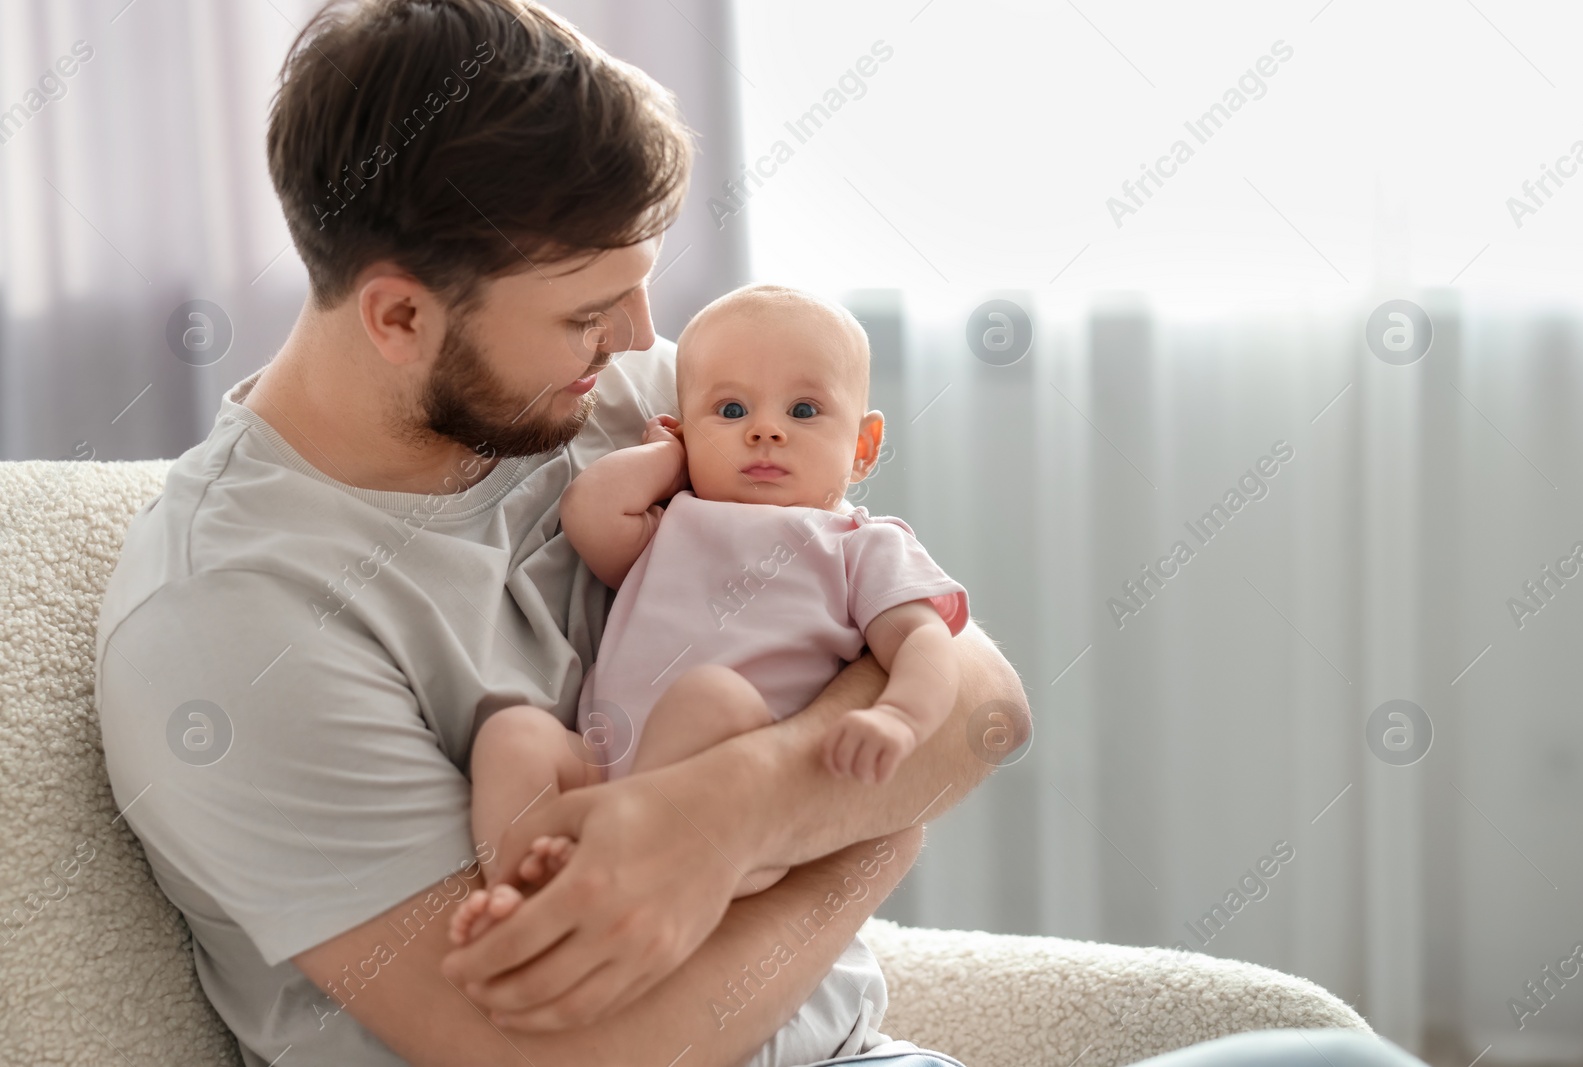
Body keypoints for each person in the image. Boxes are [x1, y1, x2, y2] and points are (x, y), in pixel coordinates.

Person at [94, 2, 1027, 1064]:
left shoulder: (624, 396)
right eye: (590, 310)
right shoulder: (232, 625)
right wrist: (870, 840)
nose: (639, 338)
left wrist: (737, 809)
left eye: (640, 289)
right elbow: (569, 1058)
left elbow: (983, 703)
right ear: (400, 317)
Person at [451, 284, 972, 1065]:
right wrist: (671, 455)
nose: (765, 429)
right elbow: (592, 514)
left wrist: (900, 717)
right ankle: (529, 894)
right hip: (607, 771)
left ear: (862, 447)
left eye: (803, 411)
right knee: (515, 735)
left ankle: (622, 864)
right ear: (684, 430)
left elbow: (927, 645)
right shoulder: (677, 518)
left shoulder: (858, 545)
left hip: (740, 813)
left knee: (711, 695)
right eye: (730, 412)